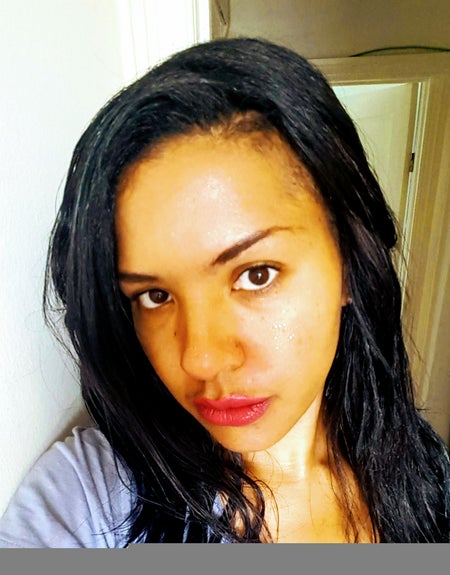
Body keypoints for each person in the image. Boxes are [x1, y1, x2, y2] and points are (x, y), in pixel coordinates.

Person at [0, 37, 448, 546]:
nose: (201, 359)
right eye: (154, 296)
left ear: (349, 265)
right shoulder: (90, 497)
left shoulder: (428, 472)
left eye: (256, 274)